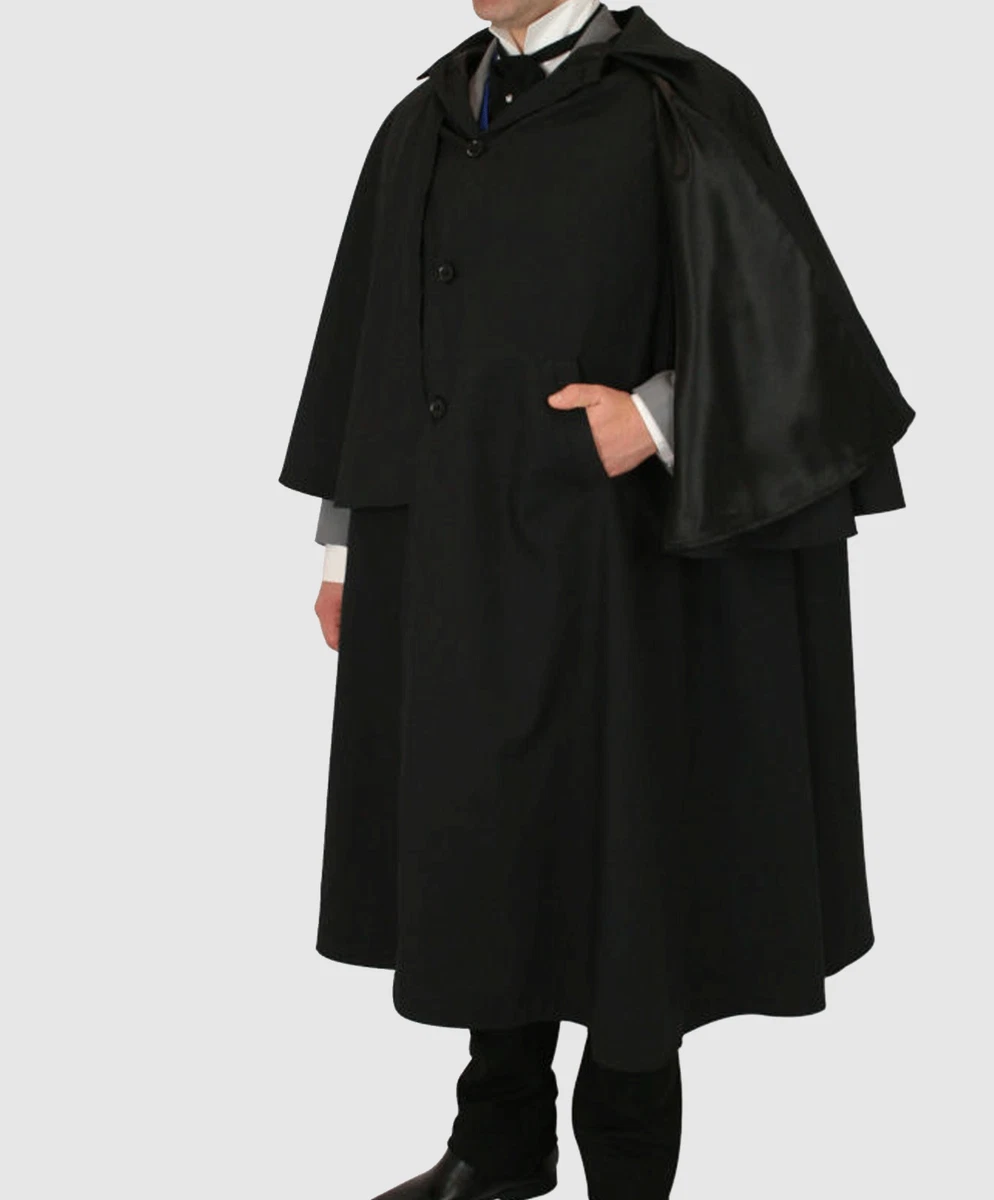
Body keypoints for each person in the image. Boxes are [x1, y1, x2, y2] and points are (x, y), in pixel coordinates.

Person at [278, 3, 915, 1197]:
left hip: (621, 567)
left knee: (628, 851)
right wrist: (344, 551)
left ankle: (627, 1167)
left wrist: (657, 417)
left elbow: (794, 330)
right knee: (483, 834)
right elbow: (370, 345)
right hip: (453, 559)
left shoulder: (677, 103)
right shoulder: (423, 121)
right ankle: (498, 1144)